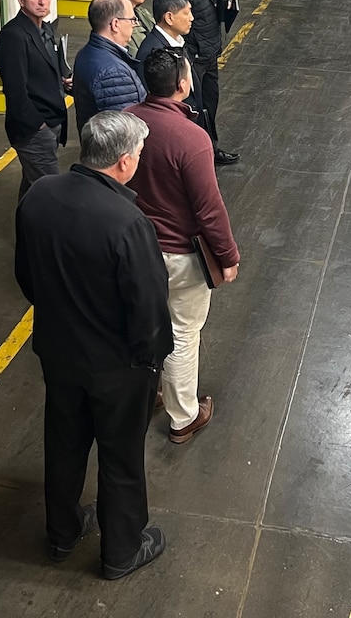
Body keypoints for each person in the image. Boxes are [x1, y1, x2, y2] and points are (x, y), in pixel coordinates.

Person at [14, 110, 172, 580]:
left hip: (58, 353)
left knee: (64, 443)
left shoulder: (40, 196)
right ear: (124, 162)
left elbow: (27, 277)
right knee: (120, 455)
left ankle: (61, 534)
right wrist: (150, 362)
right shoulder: (128, 222)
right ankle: (121, 549)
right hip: (117, 367)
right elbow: (148, 307)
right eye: (139, 155)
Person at [127, 48, 240, 444]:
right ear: (183, 84)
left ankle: (150, 394)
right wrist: (227, 256)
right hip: (180, 256)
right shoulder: (192, 138)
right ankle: (183, 417)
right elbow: (209, 208)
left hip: (135, 250)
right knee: (183, 333)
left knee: (144, 326)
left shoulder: (128, 120)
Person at [158, 0, 240, 165]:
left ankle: (210, 149)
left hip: (210, 50)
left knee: (210, 102)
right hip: (194, 56)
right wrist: (189, 54)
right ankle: (194, 155)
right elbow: (174, 23)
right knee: (194, 107)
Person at [0, 0, 72, 201]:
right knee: (51, 193)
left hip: (51, 122)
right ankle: (49, 237)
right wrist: (39, 127)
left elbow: (44, 72)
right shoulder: (13, 36)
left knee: (32, 186)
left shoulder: (46, 31)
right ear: (21, 0)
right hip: (33, 130)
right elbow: (15, 90)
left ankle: (25, 232)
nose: (42, 1)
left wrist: (63, 82)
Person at [71, 0, 146, 134]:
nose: (134, 25)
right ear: (115, 24)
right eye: (132, 20)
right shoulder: (114, 74)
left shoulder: (86, 54)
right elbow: (125, 133)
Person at [137, 0, 202, 117]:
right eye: (186, 13)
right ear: (169, 18)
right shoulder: (151, 53)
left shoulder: (177, 42)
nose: (191, 18)